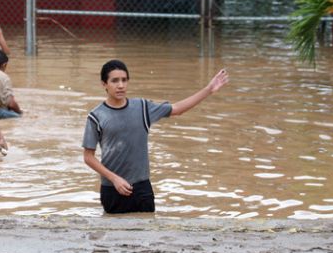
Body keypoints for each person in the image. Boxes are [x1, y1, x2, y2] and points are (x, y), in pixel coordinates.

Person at [82, 60, 229, 214]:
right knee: (114, 229)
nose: (120, 85)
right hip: (112, 189)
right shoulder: (96, 116)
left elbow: (177, 109)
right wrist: (114, 179)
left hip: (142, 188)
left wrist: (208, 89)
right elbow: (88, 157)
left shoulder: (142, 107)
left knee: (148, 227)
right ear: (104, 84)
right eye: (115, 81)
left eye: (124, 80)